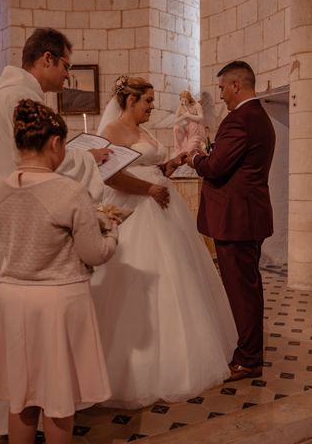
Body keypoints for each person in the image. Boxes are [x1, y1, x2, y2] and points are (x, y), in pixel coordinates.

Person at [0, 27, 111, 435]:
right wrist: (92, 157)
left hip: (14, 222)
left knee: (21, 355)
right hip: (36, 234)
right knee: (47, 361)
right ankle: (45, 405)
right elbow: (48, 167)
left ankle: (16, 413)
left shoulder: (10, 94)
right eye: (66, 66)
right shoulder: (23, 97)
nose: (68, 76)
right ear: (46, 59)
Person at [92, 75, 238, 408]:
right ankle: (135, 370)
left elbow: (149, 166)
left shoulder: (142, 132)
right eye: (148, 101)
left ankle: (183, 356)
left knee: (177, 281)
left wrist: (169, 165)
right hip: (133, 213)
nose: (152, 107)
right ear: (130, 101)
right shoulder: (112, 132)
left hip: (162, 209)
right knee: (137, 281)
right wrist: (148, 189)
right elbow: (110, 175)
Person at [187, 61, 275, 382]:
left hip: (236, 220)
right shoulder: (259, 118)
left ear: (236, 85)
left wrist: (195, 157)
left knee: (241, 291)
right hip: (247, 217)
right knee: (247, 288)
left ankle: (248, 358)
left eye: (223, 87)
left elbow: (216, 167)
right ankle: (249, 351)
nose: (221, 94)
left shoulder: (240, 119)